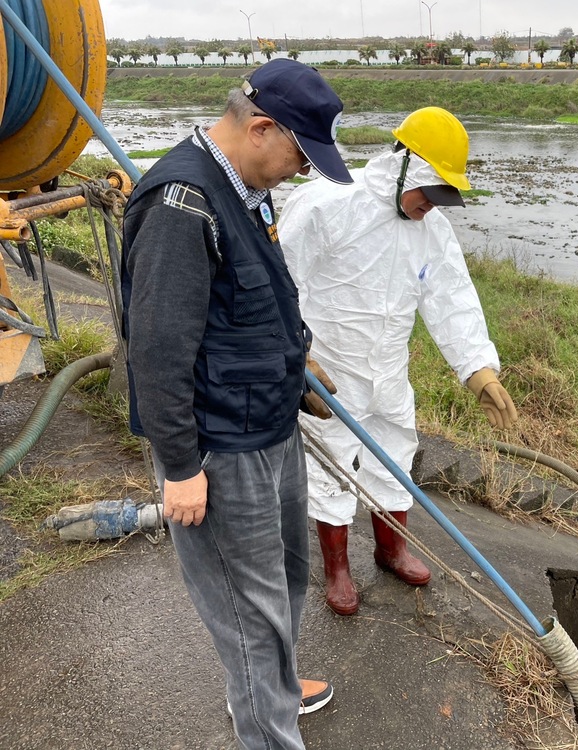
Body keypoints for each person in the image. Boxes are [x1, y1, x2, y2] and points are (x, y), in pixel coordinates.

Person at [120, 59, 350, 749]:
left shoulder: (246, 188)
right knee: (251, 618)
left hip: (271, 427)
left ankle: (271, 690)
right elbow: (156, 350)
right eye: (300, 157)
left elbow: (255, 304)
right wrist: (181, 467)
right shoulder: (181, 204)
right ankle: (267, 723)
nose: (300, 172)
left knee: (286, 582)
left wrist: (296, 372)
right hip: (221, 448)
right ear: (260, 128)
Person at [278, 106, 518, 616]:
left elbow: (451, 299)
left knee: (395, 454)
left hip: (389, 371)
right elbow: (278, 281)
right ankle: (337, 569)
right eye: (429, 192)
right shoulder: (327, 203)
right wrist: (295, 357)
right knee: (330, 464)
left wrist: (478, 370)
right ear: (404, 165)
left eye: (443, 197)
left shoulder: (432, 231)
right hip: (330, 373)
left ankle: (391, 551)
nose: (432, 205)